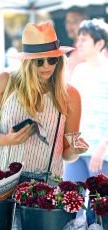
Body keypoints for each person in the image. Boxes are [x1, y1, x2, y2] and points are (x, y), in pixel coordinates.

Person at [0, 21, 88, 230]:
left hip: (44, 190)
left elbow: (68, 151)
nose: (46, 67)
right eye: (38, 62)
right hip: (2, 185)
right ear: (27, 62)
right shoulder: (4, 82)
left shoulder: (71, 95)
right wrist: (7, 139)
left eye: (52, 60)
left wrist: (77, 150)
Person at [63, 19, 108, 225]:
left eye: (84, 39)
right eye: (78, 39)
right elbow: (70, 108)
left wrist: (101, 150)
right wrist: (74, 143)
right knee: (70, 197)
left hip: (102, 152)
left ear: (100, 44)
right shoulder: (79, 70)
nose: (78, 43)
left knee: (98, 207)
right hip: (79, 148)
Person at [65, 7, 89, 78]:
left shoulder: (93, 48)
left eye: (73, 21)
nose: (68, 26)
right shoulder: (74, 48)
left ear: (85, 21)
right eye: (67, 22)